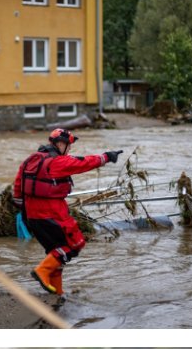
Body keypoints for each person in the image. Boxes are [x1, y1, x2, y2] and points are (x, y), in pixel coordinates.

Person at [13, 128, 122, 299]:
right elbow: (83, 163)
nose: (70, 149)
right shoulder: (57, 162)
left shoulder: (30, 160)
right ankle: (42, 271)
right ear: (60, 144)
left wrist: (24, 209)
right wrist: (106, 157)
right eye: (69, 146)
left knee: (56, 252)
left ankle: (58, 293)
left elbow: (18, 188)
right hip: (52, 212)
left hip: (32, 216)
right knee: (75, 244)